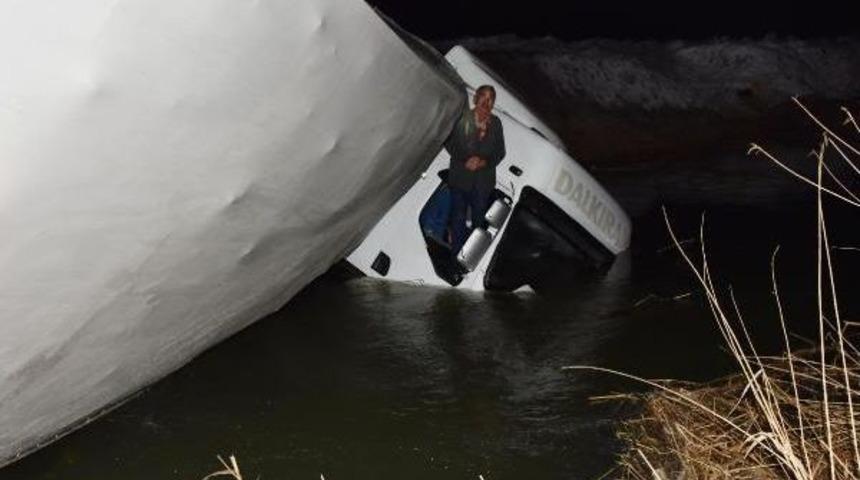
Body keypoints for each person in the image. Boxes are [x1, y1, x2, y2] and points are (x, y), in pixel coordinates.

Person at [443, 84, 506, 255]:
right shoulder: (463, 117)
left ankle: (469, 258)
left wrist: (484, 162)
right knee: (458, 217)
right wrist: (465, 160)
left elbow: (500, 153)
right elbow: (448, 141)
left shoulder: (496, 124)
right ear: (476, 98)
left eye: (490, 99)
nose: (486, 102)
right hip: (460, 178)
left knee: (478, 223)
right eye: (483, 97)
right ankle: (456, 255)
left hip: (482, 184)